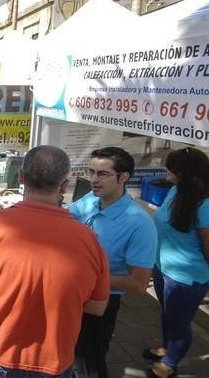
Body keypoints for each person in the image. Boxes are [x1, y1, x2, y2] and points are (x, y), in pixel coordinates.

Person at [0, 146, 110, 378]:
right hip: (54, 361)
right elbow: (97, 307)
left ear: (21, 177)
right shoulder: (89, 240)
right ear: (64, 185)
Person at [69, 147, 158, 378]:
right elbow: (67, 218)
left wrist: (86, 278)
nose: (93, 180)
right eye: (92, 172)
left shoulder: (140, 224)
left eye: (102, 174)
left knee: (89, 363)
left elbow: (138, 284)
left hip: (102, 303)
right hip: (73, 295)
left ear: (124, 177)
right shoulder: (91, 199)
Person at [143, 148, 209, 378]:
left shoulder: (205, 206)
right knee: (166, 313)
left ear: (183, 173)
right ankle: (166, 347)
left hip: (187, 278)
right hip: (163, 268)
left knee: (180, 322)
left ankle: (170, 364)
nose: (165, 170)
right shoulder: (176, 190)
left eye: (170, 166)